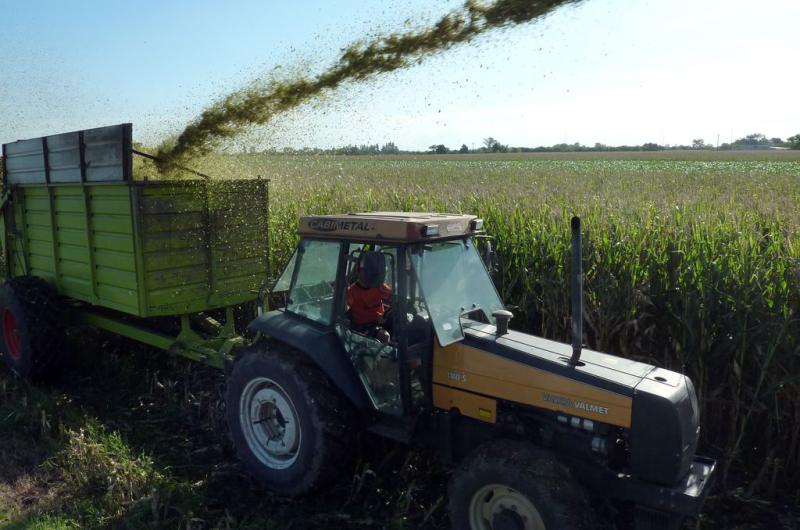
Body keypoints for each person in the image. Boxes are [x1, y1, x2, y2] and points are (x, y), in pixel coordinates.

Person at [346, 252, 392, 342]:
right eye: (368, 271)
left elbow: (393, 297)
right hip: (363, 325)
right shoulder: (353, 291)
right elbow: (345, 308)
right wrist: (343, 292)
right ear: (359, 271)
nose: (371, 275)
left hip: (380, 320)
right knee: (384, 336)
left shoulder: (379, 286)